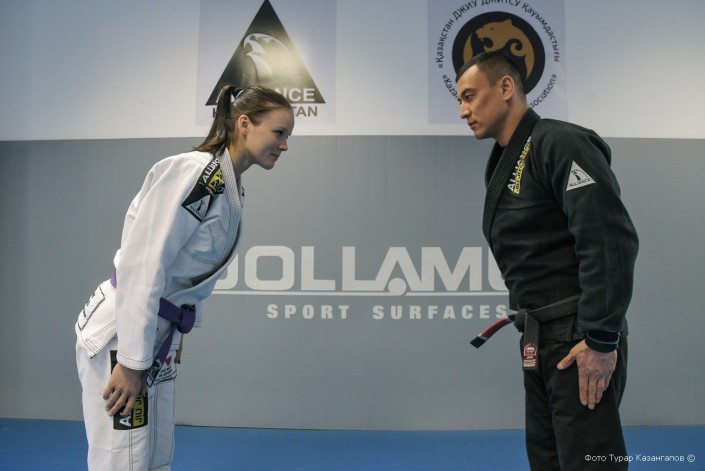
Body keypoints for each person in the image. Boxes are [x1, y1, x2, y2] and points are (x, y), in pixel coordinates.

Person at [75, 85, 294, 470]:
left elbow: (193, 270)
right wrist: (131, 361)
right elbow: (143, 264)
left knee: (156, 455)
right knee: (124, 460)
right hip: (123, 334)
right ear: (244, 124)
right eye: (279, 132)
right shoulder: (197, 174)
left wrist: (181, 326)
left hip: (157, 332)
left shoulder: (228, 185)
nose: (285, 145)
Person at [456, 51, 638, 470]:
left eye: (469, 96)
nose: (463, 110)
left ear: (505, 88)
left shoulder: (559, 143)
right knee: (547, 460)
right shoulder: (505, 160)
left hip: (579, 338)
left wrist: (601, 338)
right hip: (540, 339)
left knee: (590, 463)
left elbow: (608, 238)